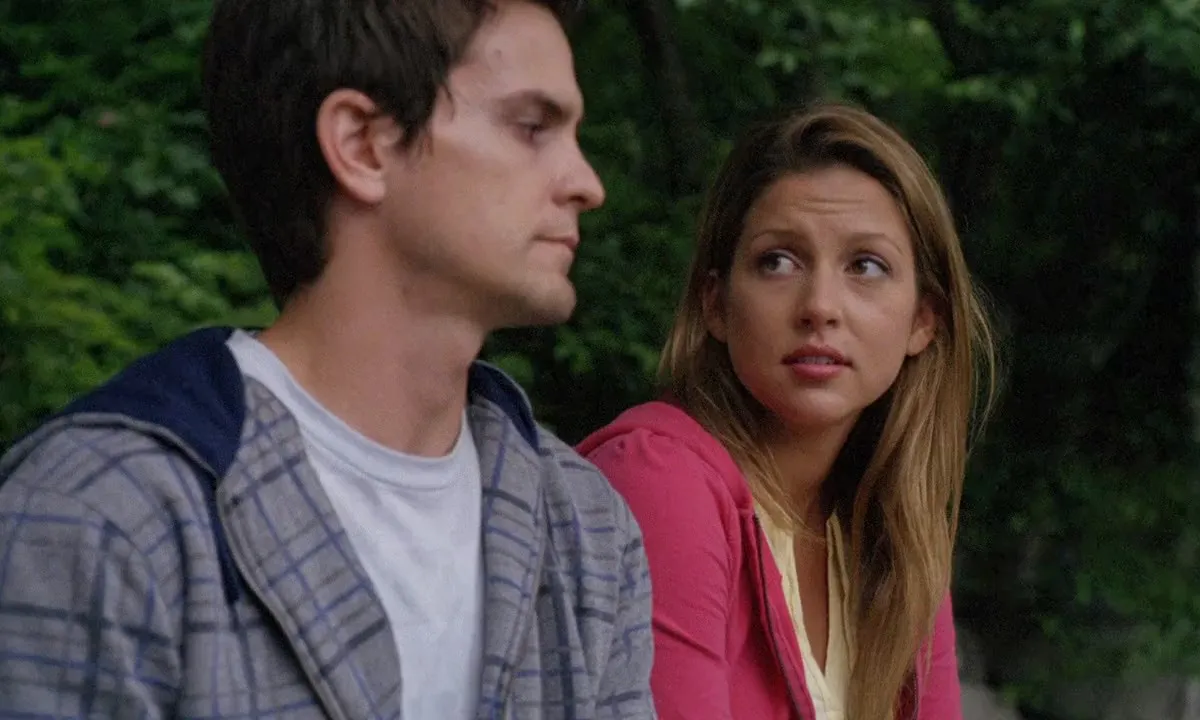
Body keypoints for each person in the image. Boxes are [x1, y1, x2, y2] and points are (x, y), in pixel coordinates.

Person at [0, 1, 656, 718]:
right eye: (531, 127)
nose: (586, 183)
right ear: (362, 145)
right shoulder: (102, 516)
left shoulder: (586, 529)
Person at [578, 102, 997, 720]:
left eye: (866, 266)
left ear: (922, 321)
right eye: (778, 261)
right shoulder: (659, 480)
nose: (820, 306)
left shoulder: (896, 537)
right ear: (716, 304)